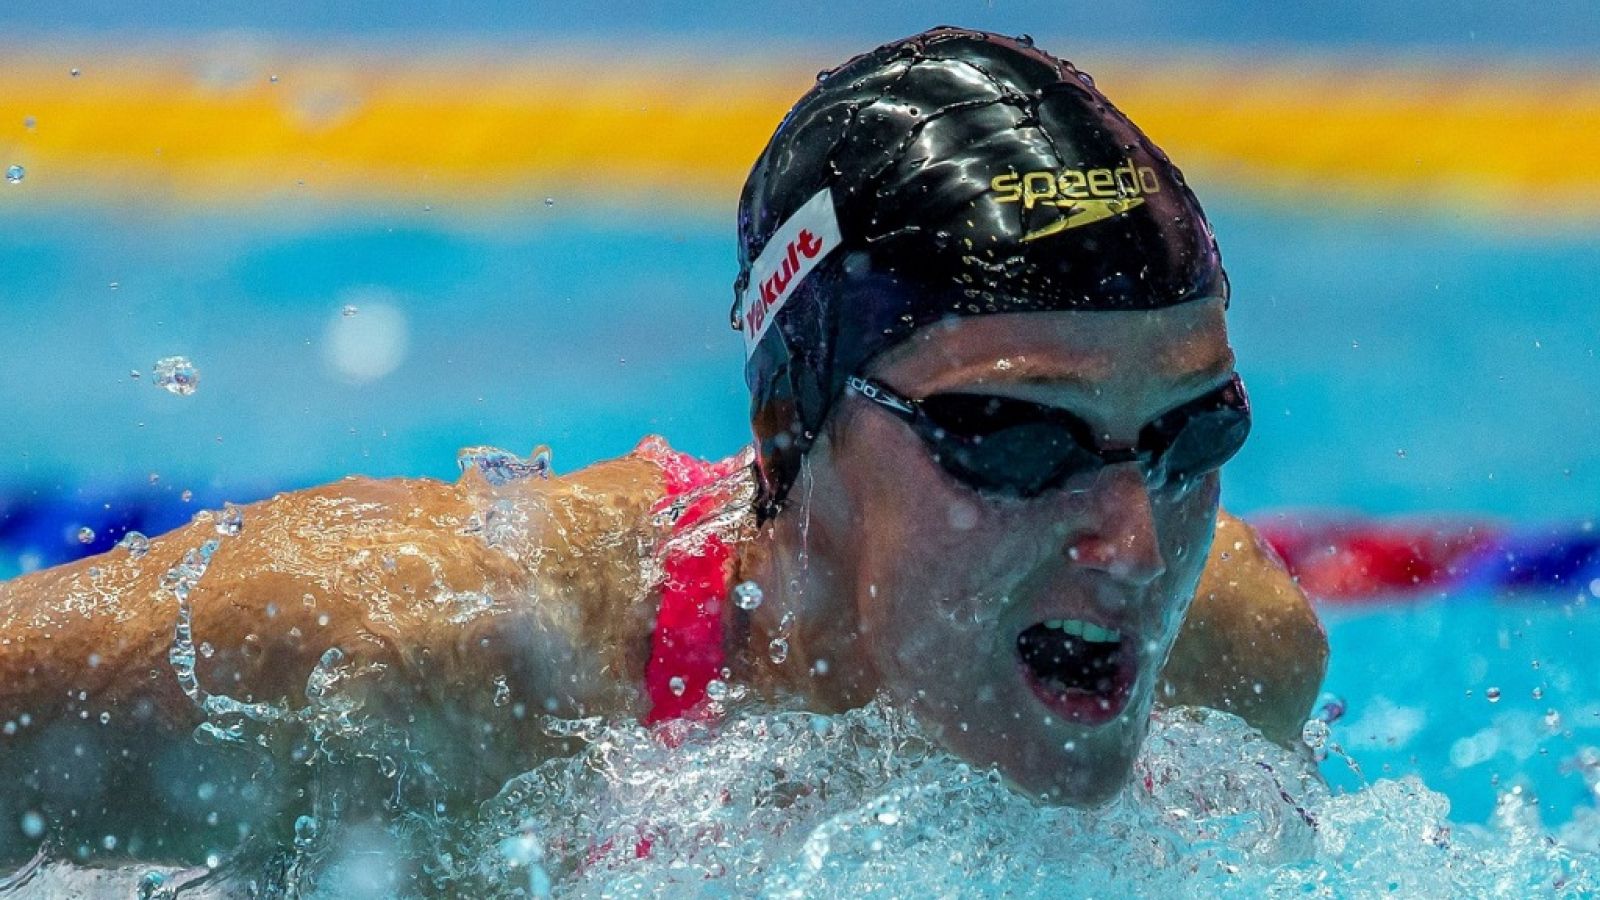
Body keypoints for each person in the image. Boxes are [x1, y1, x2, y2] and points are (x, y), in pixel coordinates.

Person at [0, 27, 1326, 864]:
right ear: (787, 429)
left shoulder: (1229, 660)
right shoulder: (424, 659)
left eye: (1189, 435)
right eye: (1018, 442)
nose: (1136, 544)